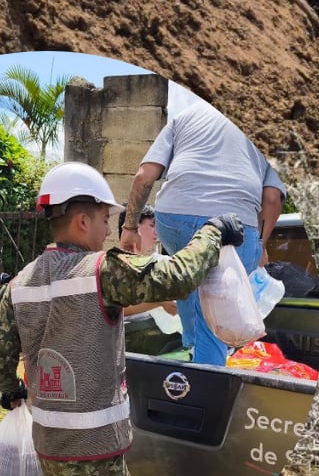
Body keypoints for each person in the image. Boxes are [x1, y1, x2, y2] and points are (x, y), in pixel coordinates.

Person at [0, 162, 240, 476]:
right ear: (81, 220)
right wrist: (213, 231)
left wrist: (13, 391)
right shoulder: (101, 270)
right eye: (105, 219)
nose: (107, 230)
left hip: (50, 445)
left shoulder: (20, 284)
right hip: (93, 449)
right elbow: (177, 276)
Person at [120, 101, 285, 365]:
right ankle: (205, 383)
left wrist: (129, 228)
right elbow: (273, 199)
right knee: (216, 319)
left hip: (175, 220)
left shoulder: (187, 115)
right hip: (236, 225)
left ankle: (194, 346)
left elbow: (143, 177)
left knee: (192, 278)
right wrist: (260, 245)